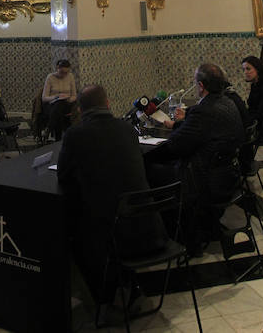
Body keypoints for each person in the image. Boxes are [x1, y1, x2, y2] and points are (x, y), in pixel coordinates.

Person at [57, 84, 167, 301]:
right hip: (150, 229)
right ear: (107, 104)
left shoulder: (75, 135)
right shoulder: (127, 129)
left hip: (112, 236)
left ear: (80, 109)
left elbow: (64, 176)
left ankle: (101, 294)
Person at [145, 63, 244, 238]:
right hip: (230, 175)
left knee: (149, 169)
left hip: (206, 181)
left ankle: (168, 231)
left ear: (201, 86)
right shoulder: (228, 102)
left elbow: (176, 145)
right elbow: (201, 131)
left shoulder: (204, 111)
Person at [42, 59, 76, 140]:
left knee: (60, 107)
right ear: (57, 68)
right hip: (52, 104)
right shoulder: (50, 77)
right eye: (62, 72)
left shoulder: (70, 76)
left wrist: (69, 99)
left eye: (66, 73)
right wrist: (56, 97)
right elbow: (44, 98)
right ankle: (59, 139)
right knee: (59, 107)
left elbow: (74, 95)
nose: (64, 75)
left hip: (67, 103)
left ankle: (49, 129)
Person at [242, 55, 263, 134]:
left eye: (248, 69)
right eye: (243, 69)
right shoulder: (254, 85)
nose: (245, 72)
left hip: (260, 129)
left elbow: (261, 114)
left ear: (257, 69)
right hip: (254, 123)